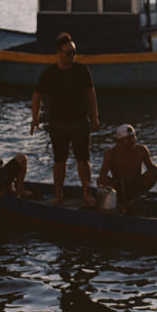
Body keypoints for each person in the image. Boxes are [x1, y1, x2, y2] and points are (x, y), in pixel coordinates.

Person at [31, 33, 100, 206]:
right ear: (58, 54)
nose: (72, 56)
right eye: (68, 52)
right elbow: (37, 96)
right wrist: (35, 118)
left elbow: (91, 95)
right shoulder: (50, 73)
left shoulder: (82, 70)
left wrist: (95, 117)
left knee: (83, 159)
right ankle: (58, 195)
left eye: (74, 52)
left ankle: (86, 193)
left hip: (79, 121)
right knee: (59, 160)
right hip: (58, 122)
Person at [98, 124, 157, 213]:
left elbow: (151, 169)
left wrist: (145, 184)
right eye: (129, 138)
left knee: (155, 170)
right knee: (100, 180)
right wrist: (112, 187)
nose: (132, 140)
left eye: (133, 137)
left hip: (137, 185)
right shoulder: (111, 153)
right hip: (119, 187)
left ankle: (137, 196)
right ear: (120, 140)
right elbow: (103, 174)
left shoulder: (141, 150)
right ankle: (119, 201)